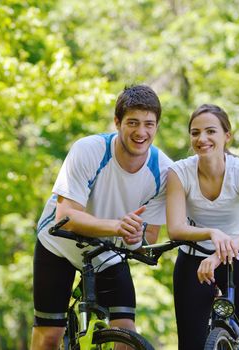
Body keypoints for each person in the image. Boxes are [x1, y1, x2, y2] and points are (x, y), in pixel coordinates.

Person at [31, 85, 173, 349]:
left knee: (127, 333)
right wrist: (117, 226)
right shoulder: (89, 150)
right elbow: (66, 216)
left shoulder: (164, 171)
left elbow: (148, 238)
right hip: (58, 243)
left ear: (157, 126)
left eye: (148, 124)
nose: (141, 132)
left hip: (106, 251)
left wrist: (133, 236)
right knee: (50, 333)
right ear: (117, 122)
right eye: (132, 122)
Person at [166, 104, 239, 350]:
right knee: (191, 344)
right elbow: (175, 228)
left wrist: (219, 254)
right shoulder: (179, 172)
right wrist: (212, 233)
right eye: (195, 133)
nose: (202, 139)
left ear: (227, 136)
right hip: (193, 263)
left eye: (210, 131)